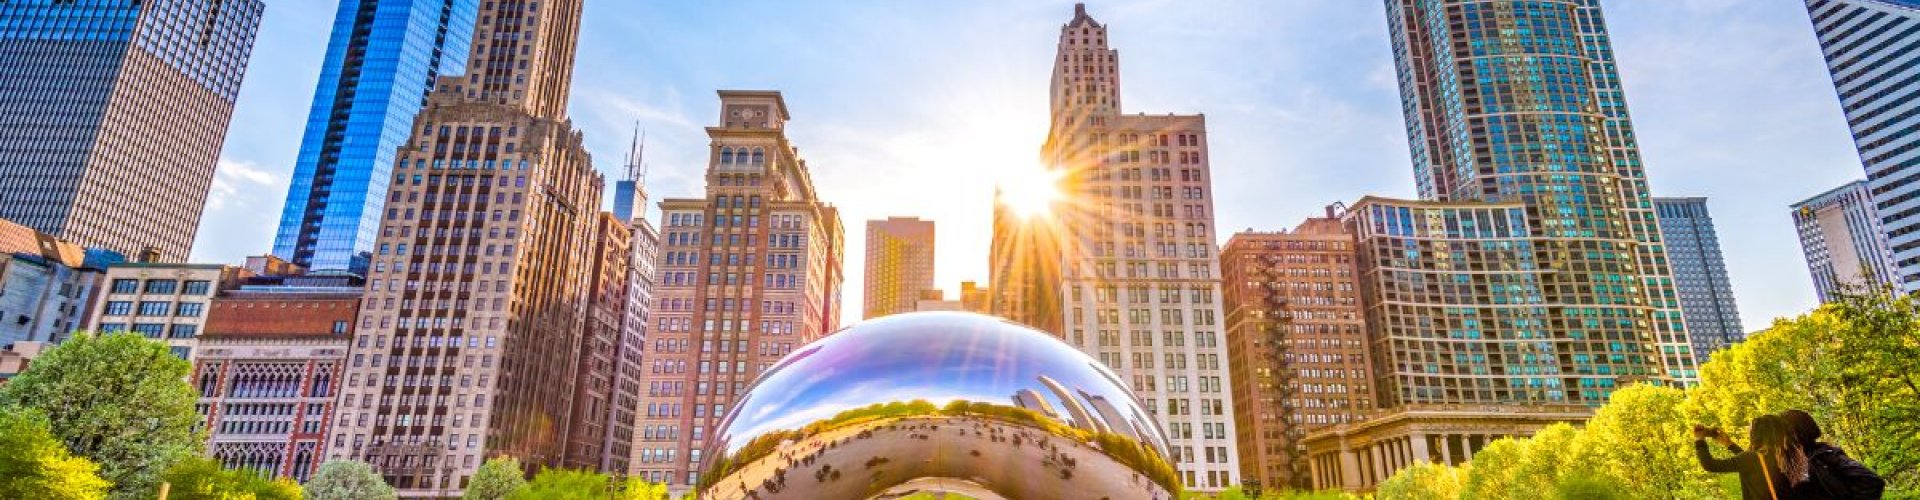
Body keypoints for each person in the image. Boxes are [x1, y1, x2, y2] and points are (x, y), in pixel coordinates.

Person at [1695, 414, 1823, 499]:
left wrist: (1699, 440)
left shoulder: (1751, 459)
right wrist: (1730, 445)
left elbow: (1709, 465)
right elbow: (1756, 466)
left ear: (1757, 434)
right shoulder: (1789, 454)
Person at [1781, 409, 1885, 500]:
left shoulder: (1825, 456)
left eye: (1786, 432)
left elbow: (1871, 481)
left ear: (1798, 432)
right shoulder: (1787, 464)